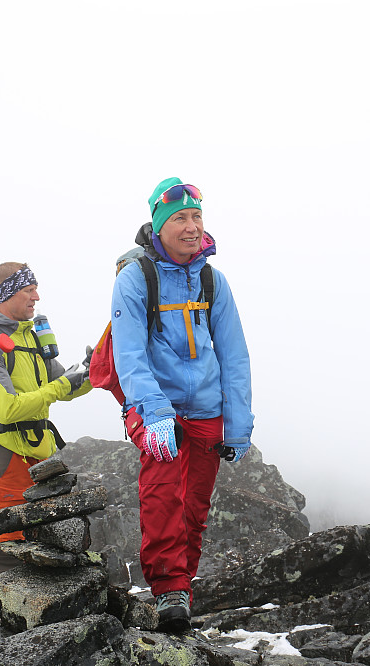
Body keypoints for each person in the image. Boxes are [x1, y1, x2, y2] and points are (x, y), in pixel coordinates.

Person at [110, 178, 254, 633]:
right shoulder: (136, 279)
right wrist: (153, 411)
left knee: (194, 506)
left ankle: (181, 585)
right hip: (157, 407)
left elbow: (234, 354)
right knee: (162, 496)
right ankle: (168, 587)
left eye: (196, 217)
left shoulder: (213, 279)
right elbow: (128, 354)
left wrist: (239, 422)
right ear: (159, 225)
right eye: (179, 219)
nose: (191, 227)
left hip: (208, 408)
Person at [0, 262, 92, 610]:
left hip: (36, 460)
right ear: (7, 294)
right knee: (4, 550)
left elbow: (62, 387)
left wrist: (96, 371)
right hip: (2, 458)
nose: (36, 296)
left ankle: (21, 635)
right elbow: (6, 409)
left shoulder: (30, 340)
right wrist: (59, 386)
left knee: (37, 548)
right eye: (28, 290)